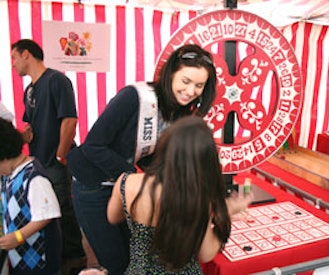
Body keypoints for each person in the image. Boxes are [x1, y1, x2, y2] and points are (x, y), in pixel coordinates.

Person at [66, 43, 217, 274]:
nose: (190, 91)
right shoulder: (134, 96)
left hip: (127, 185)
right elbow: (94, 146)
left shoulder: (182, 112)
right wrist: (135, 179)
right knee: (115, 261)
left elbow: (151, 156)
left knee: (133, 255)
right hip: (94, 186)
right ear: (171, 74)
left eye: (199, 85)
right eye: (185, 81)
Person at [107, 116, 253, 274]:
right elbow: (206, 254)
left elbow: (113, 217)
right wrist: (226, 213)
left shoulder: (125, 182)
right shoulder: (197, 198)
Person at [11, 39, 86, 274]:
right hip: (38, 161)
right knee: (45, 212)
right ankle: (57, 257)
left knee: (62, 210)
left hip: (54, 161)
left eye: (14, 58)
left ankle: (75, 259)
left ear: (26, 54)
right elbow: (32, 126)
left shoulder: (56, 80)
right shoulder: (30, 89)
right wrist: (20, 138)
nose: (12, 65)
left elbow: (70, 119)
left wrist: (61, 154)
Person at [0, 117, 62, 274]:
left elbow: (47, 215)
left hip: (38, 259)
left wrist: (19, 237)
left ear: (4, 157)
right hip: (21, 257)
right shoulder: (9, 174)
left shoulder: (34, 178)